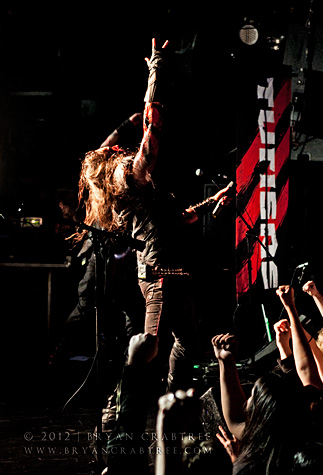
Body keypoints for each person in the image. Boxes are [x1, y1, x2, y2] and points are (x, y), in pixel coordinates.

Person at [75, 39, 233, 392]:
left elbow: (182, 218)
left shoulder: (139, 187)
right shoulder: (131, 177)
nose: (120, 146)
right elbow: (152, 126)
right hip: (159, 276)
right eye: (116, 149)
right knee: (147, 347)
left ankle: (172, 397)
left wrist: (212, 202)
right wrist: (156, 70)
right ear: (113, 163)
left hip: (175, 272)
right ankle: (121, 405)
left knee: (189, 342)